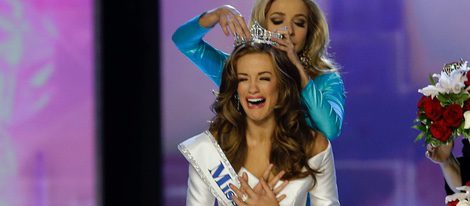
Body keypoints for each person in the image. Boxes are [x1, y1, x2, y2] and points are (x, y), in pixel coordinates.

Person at [178, 38, 339, 205]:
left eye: (264, 78)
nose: (253, 88)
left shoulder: (314, 147)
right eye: (243, 79)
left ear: (282, 86)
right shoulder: (209, 148)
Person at [172, 0, 345, 140]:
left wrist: (299, 72)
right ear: (263, 25)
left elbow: (330, 130)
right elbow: (183, 41)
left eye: (299, 23)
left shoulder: (326, 80)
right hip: (245, 177)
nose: (288, 31)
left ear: (310, 30)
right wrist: (215, 15)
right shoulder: (238, 71)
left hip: (301, 178)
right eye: (277, 21)